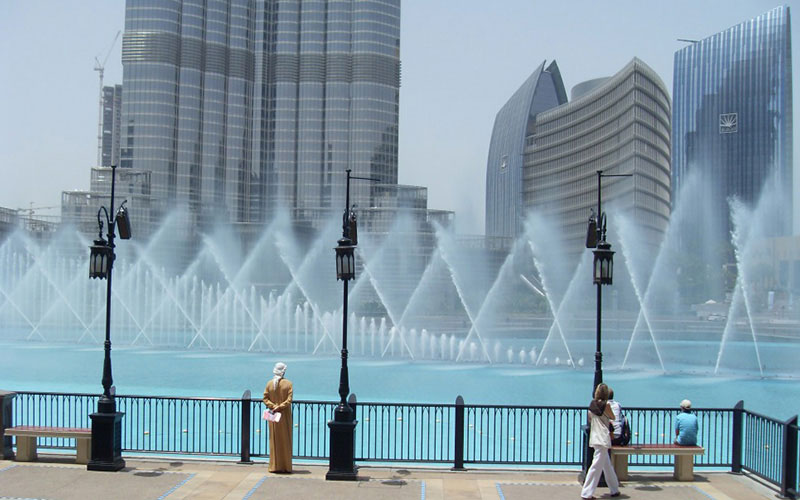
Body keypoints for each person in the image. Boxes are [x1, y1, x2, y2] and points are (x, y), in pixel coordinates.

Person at [581, 383, 621, 500]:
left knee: (606, 465)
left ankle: (614, 489)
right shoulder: (606, 405)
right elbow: (612, 417)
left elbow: (590, 418)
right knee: (596, 466)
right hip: (603, 437)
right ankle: (586, 493)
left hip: (595, 436)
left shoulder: (592, 405)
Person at [263, 362, 293, 473]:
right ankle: (286, 466)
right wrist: (280, 407)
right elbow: (289, 400)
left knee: (274, 440)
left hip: (273, 415)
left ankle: (274, 466)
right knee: (286, 440)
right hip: (284, 415)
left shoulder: (269, 384)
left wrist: (273, 407)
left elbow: (265, 398)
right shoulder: (288, 384)